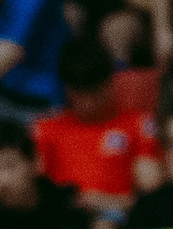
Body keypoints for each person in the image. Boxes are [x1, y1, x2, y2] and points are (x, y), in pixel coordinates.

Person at [35, 37, 161, 216]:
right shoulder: (46, 129)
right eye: (81, 93)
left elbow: (152, 191)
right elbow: (37, 194)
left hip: (123, 218)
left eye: (95, 92)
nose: (89, 103)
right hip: (65, 218)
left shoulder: (138, 124)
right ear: (68, 90)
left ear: (110, 82)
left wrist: (105, 202)